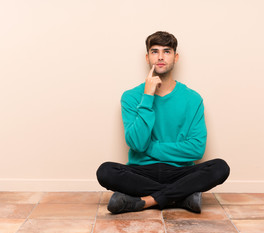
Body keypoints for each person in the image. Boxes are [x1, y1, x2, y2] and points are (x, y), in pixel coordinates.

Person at [96, 31, 230, 214]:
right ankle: (181, 197)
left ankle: (146, 201)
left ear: (175, 57)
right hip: (141, 171)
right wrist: (148, 96)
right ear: (147, 57)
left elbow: (197, 149)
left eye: (166, 51)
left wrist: (149, 149)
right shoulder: (131, 97)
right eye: (154, 51)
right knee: (105, 171)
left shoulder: (192, 98)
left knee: (220, 168)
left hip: (180, 173)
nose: (160, 57)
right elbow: (136, 143)